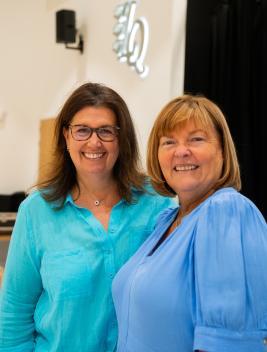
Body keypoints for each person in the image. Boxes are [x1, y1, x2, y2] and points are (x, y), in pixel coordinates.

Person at [0, 82, 176, 352]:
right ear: (66, 137)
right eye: (82, 130)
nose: (94, 142)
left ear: (122, 138)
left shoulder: (156, 205)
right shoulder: (36, 211)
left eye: (106, 131)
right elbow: (14, 315)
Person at [112, 94, 267, 352]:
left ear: (222, 152)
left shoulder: (225, 212)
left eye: (196, 139)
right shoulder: (166, 221)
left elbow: (227, 344)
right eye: (169, 142)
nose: (181, 151)